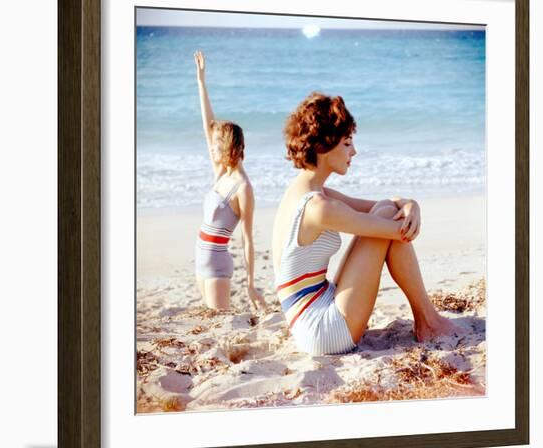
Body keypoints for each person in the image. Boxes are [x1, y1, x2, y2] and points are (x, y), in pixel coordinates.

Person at [272, 91, 463, 356]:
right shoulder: (319, 207)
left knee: (385, 210)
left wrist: (410, 204)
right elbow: (398, 230)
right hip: (322, 331)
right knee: (386, 216)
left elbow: (380, 205)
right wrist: (407, 213)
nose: (354, 151)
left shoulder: (307, 192)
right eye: (347, 142)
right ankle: (429, 321)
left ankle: (428, 319)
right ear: (324, 146)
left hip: (313, 308)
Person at [194, 50, 265, 312]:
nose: (210, 148)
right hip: (200, 256)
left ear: (226, 147)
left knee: (219, 322)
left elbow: (247, 239)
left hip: (216, 265)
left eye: (215, 145)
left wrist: (250, 284)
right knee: (208, 319)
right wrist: (201, 83)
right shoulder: (220, 171)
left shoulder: (243, 188)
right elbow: (208, 125)